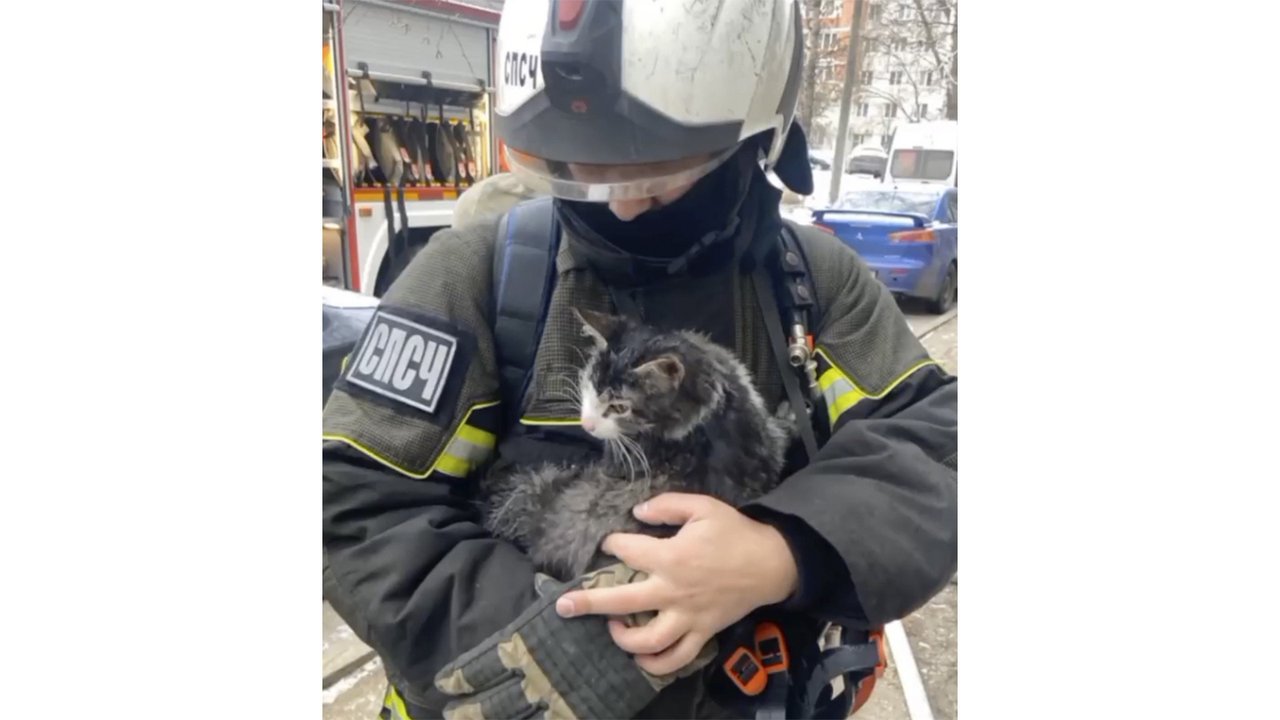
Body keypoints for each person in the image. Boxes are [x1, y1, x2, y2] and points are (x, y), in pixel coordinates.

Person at [322, 1, 957, 718]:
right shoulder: (478, 274)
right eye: (579, 168)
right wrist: (553, 633)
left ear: (758, 143)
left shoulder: (811, 284)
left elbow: (940, 442)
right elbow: (352, 499)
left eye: (658, 172)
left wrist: (784, 550)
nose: (620, 209)